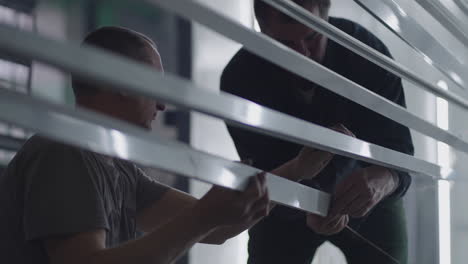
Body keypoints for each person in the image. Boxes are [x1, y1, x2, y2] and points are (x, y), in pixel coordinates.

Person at [0, 26, 336, 264]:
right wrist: (204, 216)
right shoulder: (64, 151)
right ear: (121, 83)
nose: (162, 105)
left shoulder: (119, 170)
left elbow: (219, 228)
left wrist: (296, 170)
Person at [221, 1, 414, 263]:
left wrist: (385, 179)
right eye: (286, 45)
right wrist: (306, 203)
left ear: (327, 20)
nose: (303, 54)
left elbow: (399, 150)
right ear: (262, 32)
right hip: (283, 207)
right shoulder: (239, 79)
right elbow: (265, 173)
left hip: (367, 199)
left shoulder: (367, 54)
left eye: (312, 38)